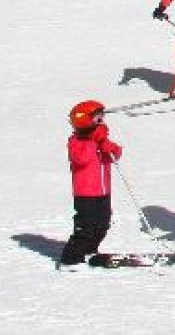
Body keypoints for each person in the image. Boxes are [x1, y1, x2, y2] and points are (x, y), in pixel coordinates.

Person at [59, 100, 121, 268]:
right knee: (86, 227)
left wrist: (108, 145)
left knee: (102, 225)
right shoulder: (76, 141)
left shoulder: (99, 138)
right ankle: (70, 259)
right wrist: (94, 141)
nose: (101, 121)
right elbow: (81, 159)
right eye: (97, 119)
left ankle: (89, 251)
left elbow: (114, 154)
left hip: (103, 192)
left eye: (102, 118)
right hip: (86, 195)